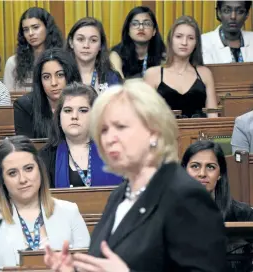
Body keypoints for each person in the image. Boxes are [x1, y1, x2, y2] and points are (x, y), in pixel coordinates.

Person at [44, 79, 226, 271]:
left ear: (154, 132)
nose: (109, 138)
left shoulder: (186, 196)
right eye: (104, 130)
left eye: (121, 127)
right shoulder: (119, 195)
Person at [0, 135, 90, 270]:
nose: (23, 179)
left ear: (40, 169)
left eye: (29, 168)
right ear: (3, 180)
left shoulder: (69, 212)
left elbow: (89, 268)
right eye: (12, 173)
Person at [39, 82, 122, 188]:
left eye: (83, 110)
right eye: (68, 110)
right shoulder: (44, 158)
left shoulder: (114, 151)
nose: (74, 116)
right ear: (59, 116)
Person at [144, 15, 218, 118]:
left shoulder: (204, 73)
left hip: (199, 132)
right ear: (171, 39)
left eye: (190, 38)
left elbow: (213, 116)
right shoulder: (153, 74)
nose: (184, 43)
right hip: (165, 132)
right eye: (179, 36)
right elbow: (147, 117)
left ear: (196, 43)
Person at [13, 48, 81, 139]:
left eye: (60, 75)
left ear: (70, 76)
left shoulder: (85, 100)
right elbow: (26, 149)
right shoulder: (25, 106)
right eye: (46, 77)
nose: (53, 83)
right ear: (40, 81)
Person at [182, 140, 253, 221]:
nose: (202, 174)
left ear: (220, 173)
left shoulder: (244, 215)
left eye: (210, 167)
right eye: (195, 166)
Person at [3, 7, 63, 92]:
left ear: (47, 28)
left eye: (35, 27)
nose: (30, 33)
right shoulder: (13, 63)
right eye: (26, 30)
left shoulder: (63, 59)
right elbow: (9, 99)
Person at [66, 17, 121, 93]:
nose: (86, 45)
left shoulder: (111, 77)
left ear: (100, 46)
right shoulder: (61, 74)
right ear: (71, 42)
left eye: (93, 40)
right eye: (80, 39)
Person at [110, 6, 166, 79]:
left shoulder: (163, 54)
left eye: (147, 24)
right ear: (128, 31)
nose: (141, 28)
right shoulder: (116, 54)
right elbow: (118, 83)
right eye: (135, 24)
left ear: (154, 31)